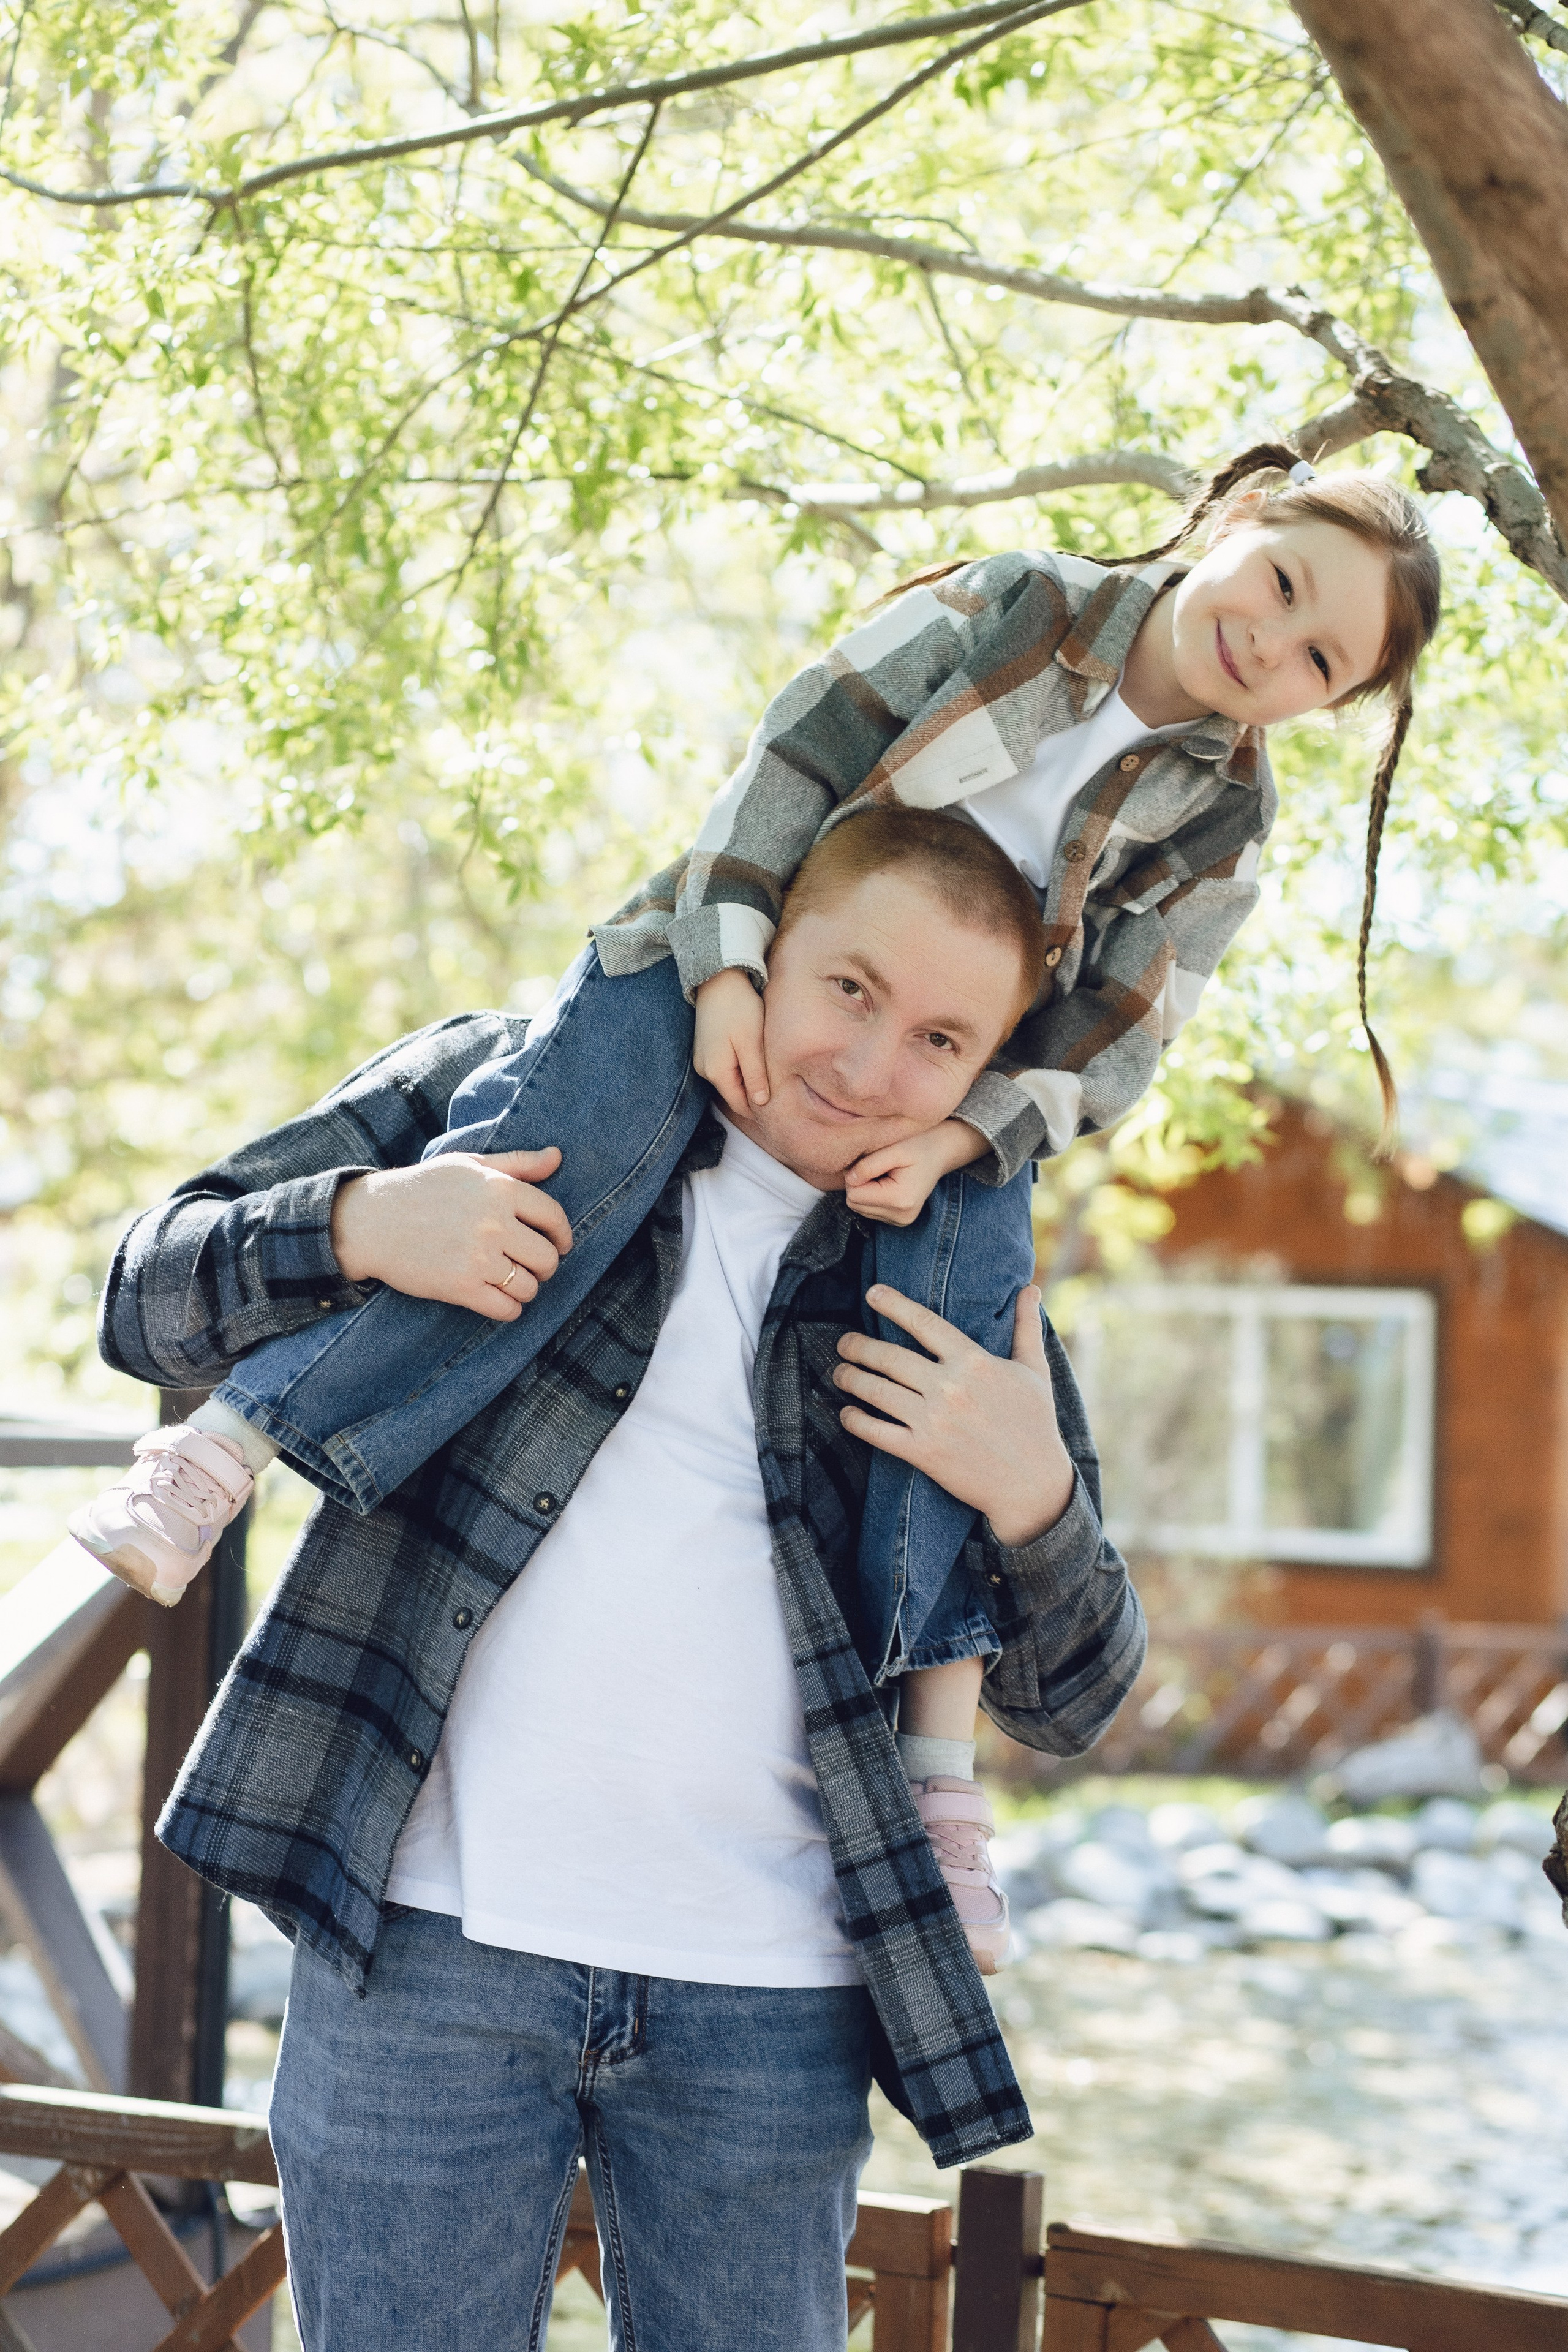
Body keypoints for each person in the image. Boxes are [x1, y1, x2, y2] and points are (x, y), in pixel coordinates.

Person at [73, 443, 1439, 1932]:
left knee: (954, 1314)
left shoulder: (1223, 820)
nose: (1271, 641)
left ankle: (934, 1775)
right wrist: (380, 1209)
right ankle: (227, 1449)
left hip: (960, 1130)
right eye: (1284, 582)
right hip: (708, 948)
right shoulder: (1017, 607)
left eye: (1321, 658)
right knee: (545, 1158)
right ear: (1233, 521)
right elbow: (784, 765)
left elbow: (1117, 1029)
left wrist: (973, 1161)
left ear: (1332, 705)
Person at [94, 820, 1144, 2350]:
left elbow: (1077, 1695)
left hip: (768, 2000)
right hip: (421, 1947)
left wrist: (1030, 1493)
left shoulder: (955, 1274)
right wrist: (365, 1223)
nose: (865, 1065)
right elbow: (144, 1290)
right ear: (760, 948)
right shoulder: (522, 1086)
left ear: (988, 1074)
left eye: (937, 1039)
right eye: (845, 987)